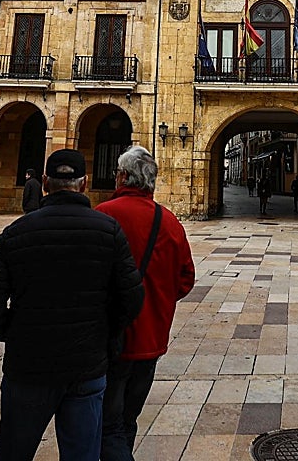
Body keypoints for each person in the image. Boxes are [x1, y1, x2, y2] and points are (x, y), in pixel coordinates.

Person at [0, 149, 144, 461]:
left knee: (14, 453)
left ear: (45, 182)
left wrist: (20, 333)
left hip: (28, 369)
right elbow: (132, 298)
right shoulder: (107, 230)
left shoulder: (15, 234)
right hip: (86, 366)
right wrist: (102, 332)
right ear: (85, 183)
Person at [96, 145, 195, 461]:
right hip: (150, 340)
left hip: (107, 340)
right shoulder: (170, 222)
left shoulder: (103, 216)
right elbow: (185, 280)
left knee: (107, 426)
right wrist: (158, 299)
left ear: (122, 176)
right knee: (126, 420)